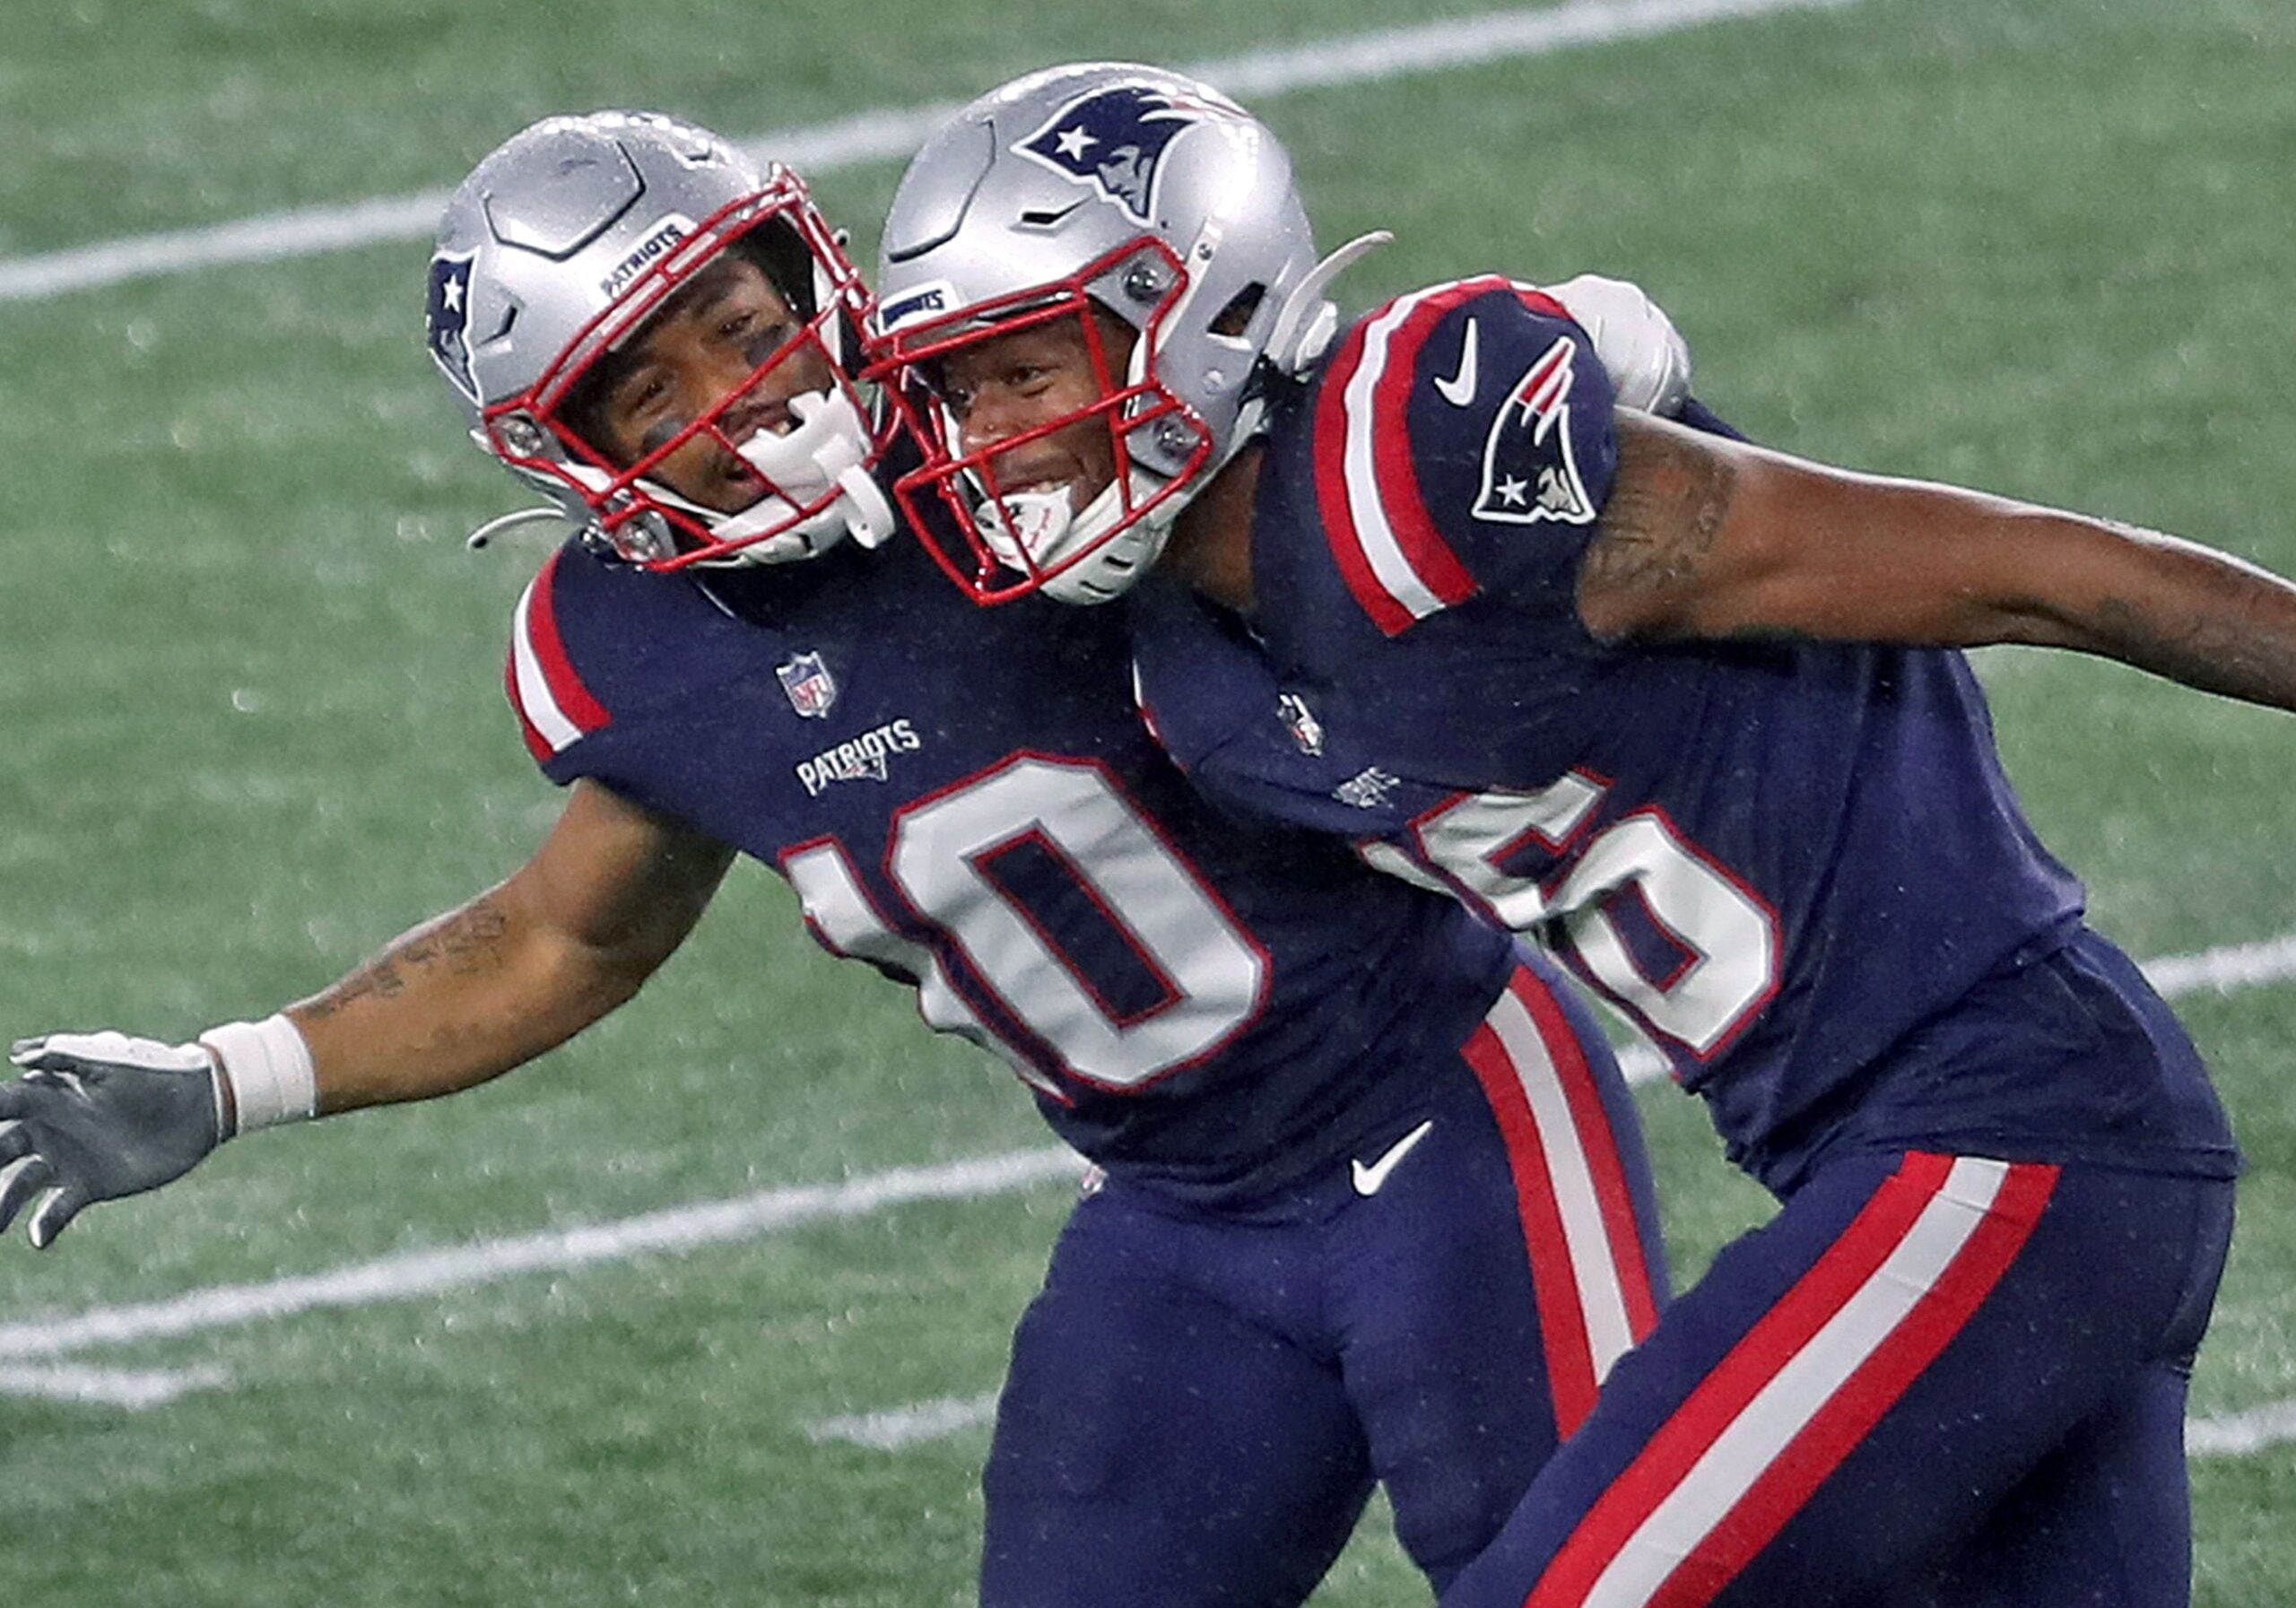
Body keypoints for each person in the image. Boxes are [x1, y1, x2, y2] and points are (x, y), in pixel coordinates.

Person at [0, 110, 1681, 1607]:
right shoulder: (623, 653)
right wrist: (234, 1076)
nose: (747, 392)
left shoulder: (1029, 425)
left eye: (741, 322)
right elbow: (563, 940)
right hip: (1174, 1212)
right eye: (647, 387)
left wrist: (1549, 368)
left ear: (813, 269)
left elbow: (1298, 402)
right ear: (567, 449)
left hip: (1445, 1120)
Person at [865, 60, 2283, 1607]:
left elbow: (2034, 571)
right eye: (959, 385)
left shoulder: (1418, 470)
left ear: (1193, 309)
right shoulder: (1190, 671)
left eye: (1028, 369)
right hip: (1954, 1163)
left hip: (2008, 1131)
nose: (991, 434)